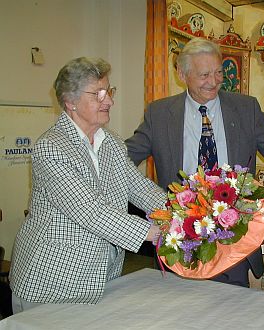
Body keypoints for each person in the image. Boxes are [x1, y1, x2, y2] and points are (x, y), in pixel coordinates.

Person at [125, 37, 264, 287]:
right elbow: (125, 157)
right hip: (182, 240)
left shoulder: (246, 109)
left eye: (218, 73)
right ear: (182, 73)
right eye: (204, 75)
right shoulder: (159, 114)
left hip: (233, 239)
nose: (213, 82)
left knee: (231, 316)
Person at [9, 57, 166, 313]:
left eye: (110, 91)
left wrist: (181, 213)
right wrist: (157, 232)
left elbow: (138, 187)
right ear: (70, 102)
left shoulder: (111, 141)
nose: (110, 100)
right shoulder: (51, 147)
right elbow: (90, 212)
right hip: (51, 282)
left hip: (99, 277)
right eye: (98, 93)